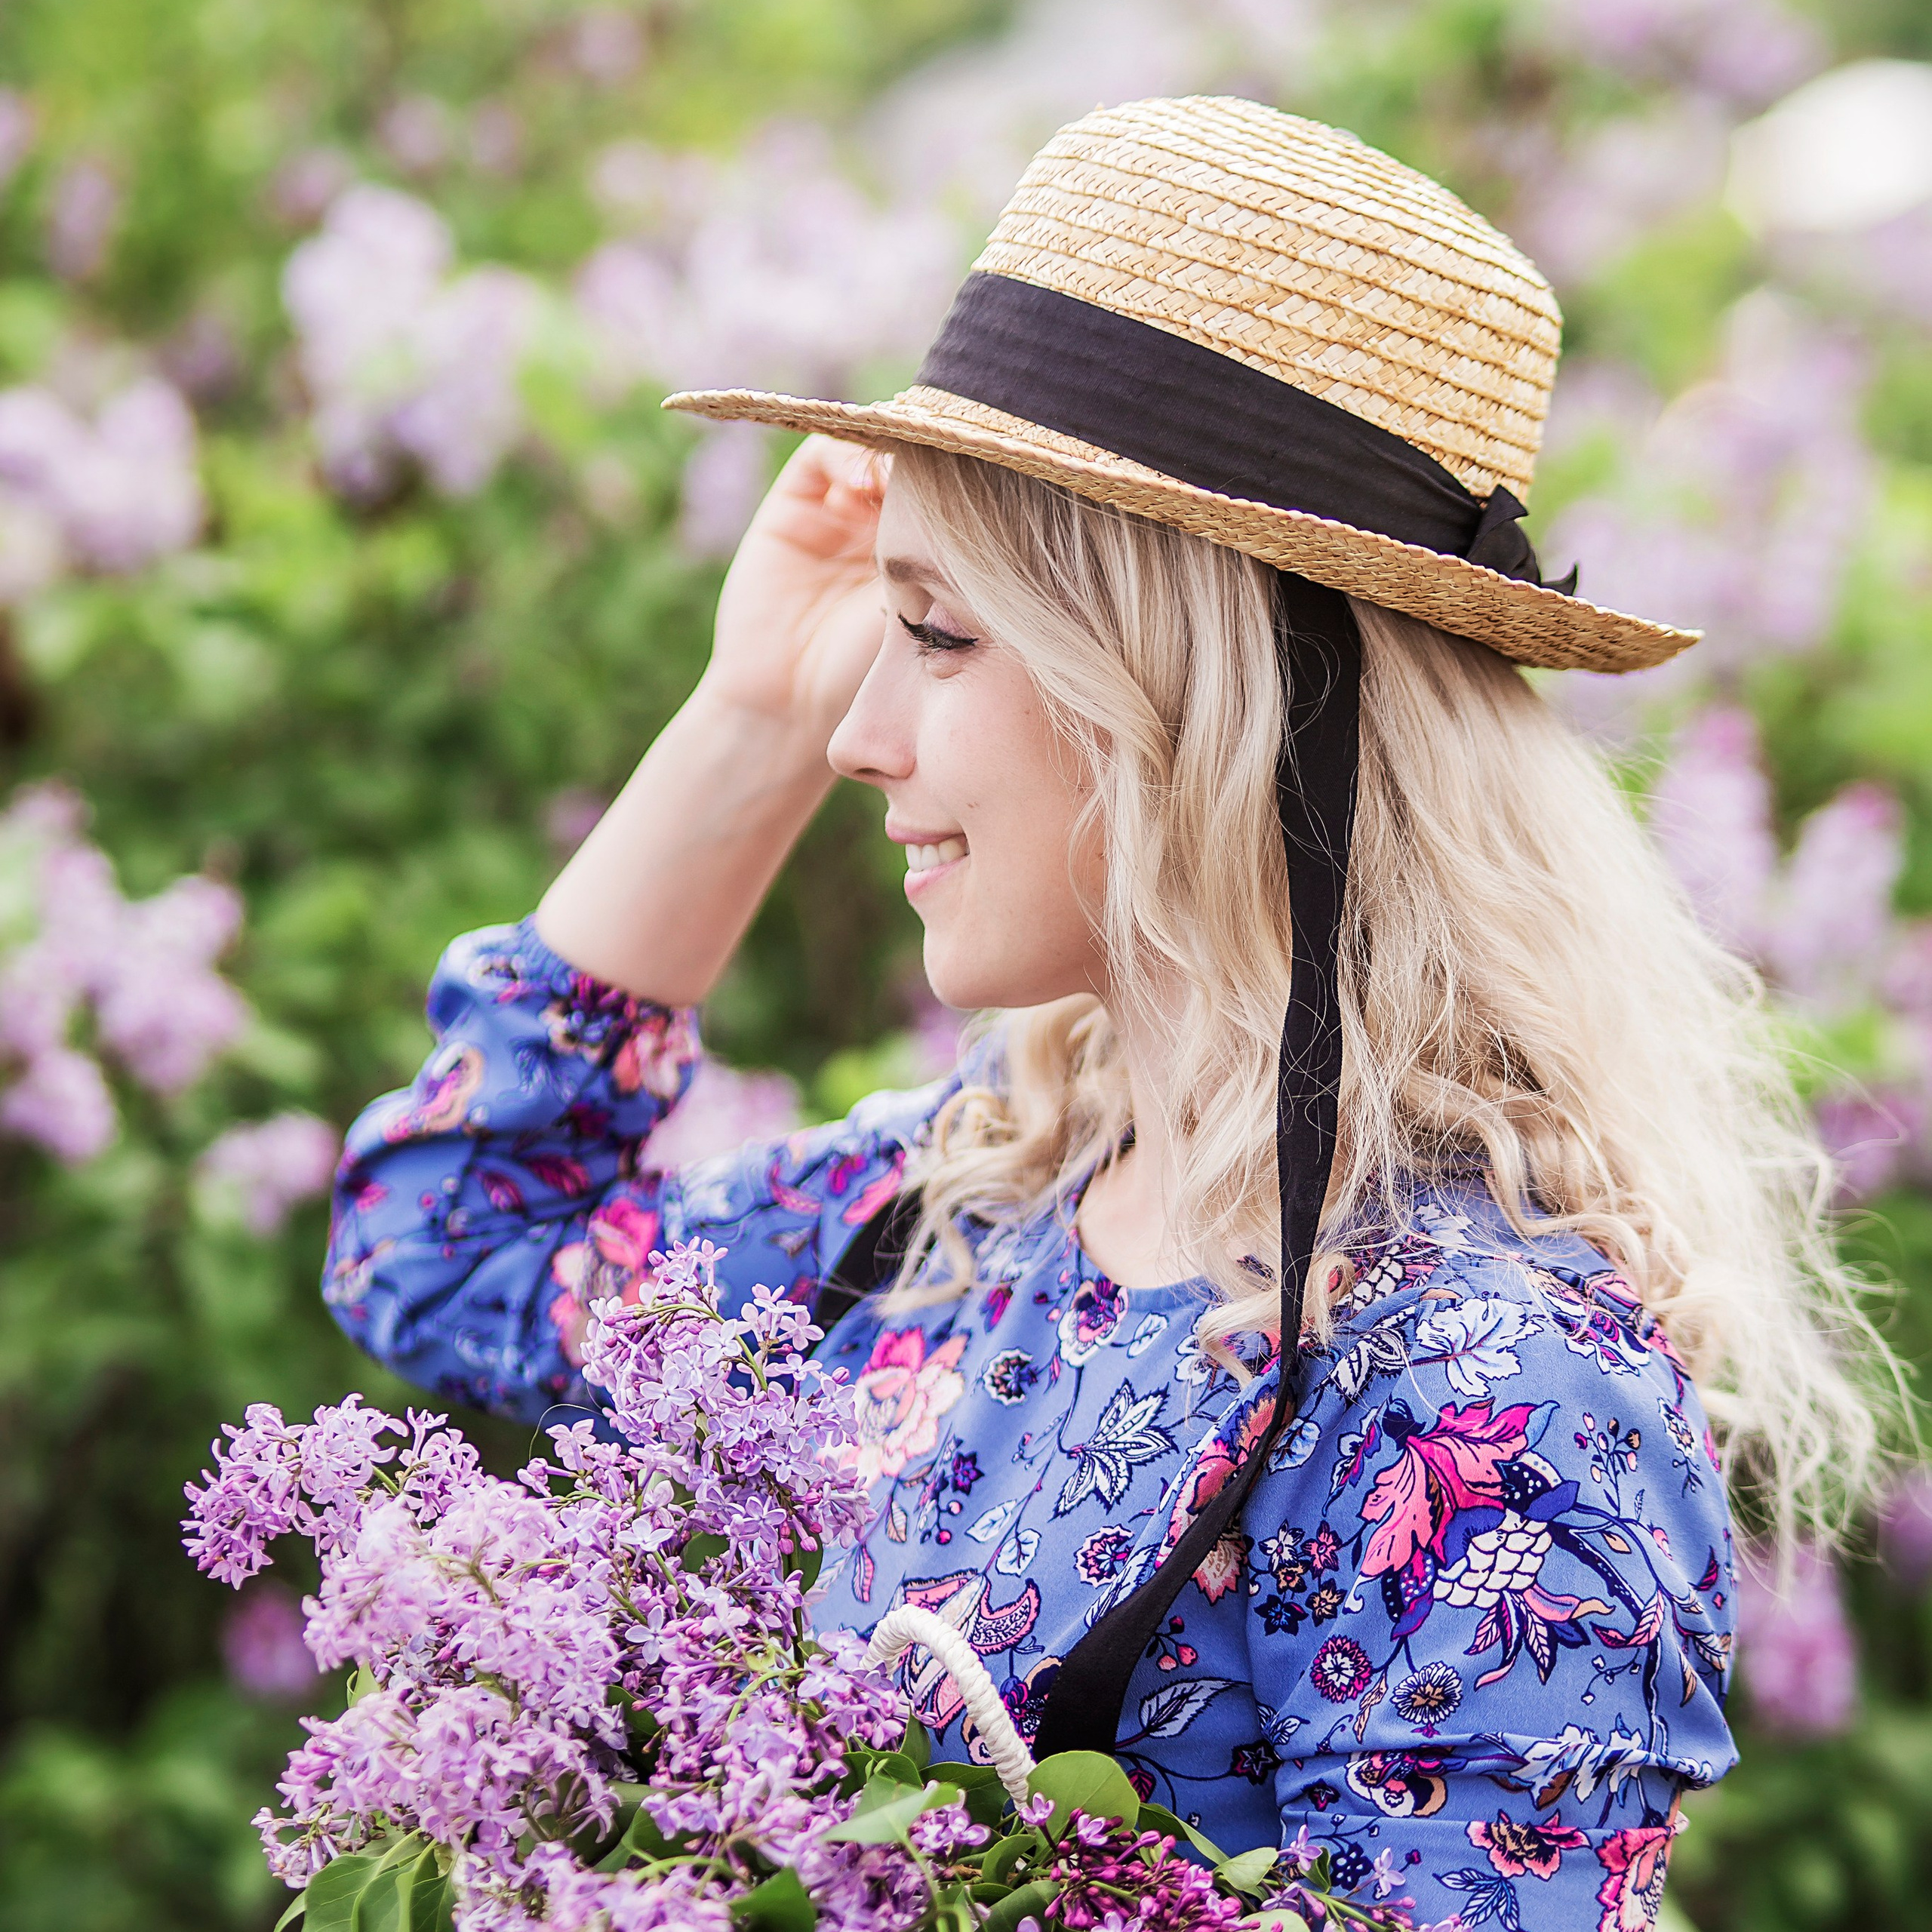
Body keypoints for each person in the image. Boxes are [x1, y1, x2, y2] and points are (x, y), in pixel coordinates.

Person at [323, 98, 1881, 1927]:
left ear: (1179, 690)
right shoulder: (968, 1206)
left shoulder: (1483, 1390)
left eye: (942, 635)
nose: (858, 734)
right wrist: (742, 715)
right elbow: (448, 1243)